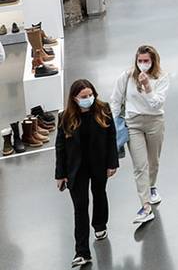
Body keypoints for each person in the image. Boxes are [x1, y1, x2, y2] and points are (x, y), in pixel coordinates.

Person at [55, 79, 119, 268]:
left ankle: (100, 225)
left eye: (90, 95)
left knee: (99, 195)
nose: (88, 99)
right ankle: (82, 251)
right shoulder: (65, 117)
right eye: (83, 97)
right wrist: (60, 174)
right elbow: (60, 147)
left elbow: (111, 136)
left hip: (99, 165)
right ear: (74, 99)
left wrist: (112, 163)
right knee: (80, 207)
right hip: (76, 169)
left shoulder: (103, 109)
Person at [109, 45, 169, 225]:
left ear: (153, 61)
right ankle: (145, 206)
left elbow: (157, 104)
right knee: (140, 166)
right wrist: (113, 124)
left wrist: (147, 86)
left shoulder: (161, 77)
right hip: (133, 123)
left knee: (153, 162)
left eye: (146, 61)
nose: (143, 64)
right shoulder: (126, 77)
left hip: (154, 122)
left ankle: (151, 186)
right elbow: (115, 100)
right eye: (140, 61)